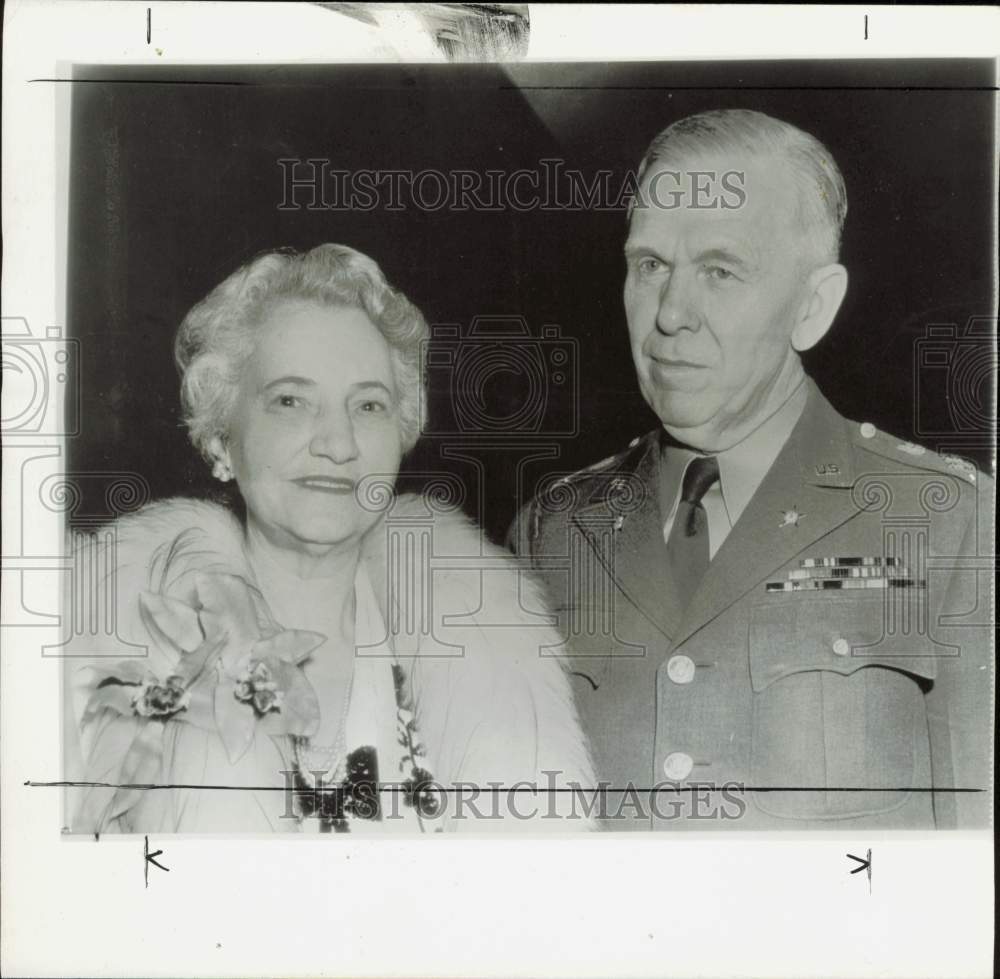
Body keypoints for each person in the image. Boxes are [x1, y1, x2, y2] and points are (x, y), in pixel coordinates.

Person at [509, 109, 992, 830]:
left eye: (720, 270)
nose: (670, 313)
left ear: (813, 306)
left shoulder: (949, 521)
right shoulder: (552, 530)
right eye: (650, 266)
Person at [65, 243, 595, 834]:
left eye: (368, 405)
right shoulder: (103, 658)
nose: (338, 443)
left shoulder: (493, 657)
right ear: (220, 439)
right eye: (291, 401)